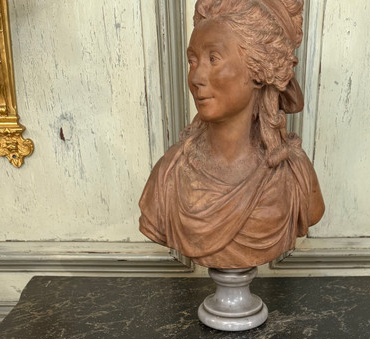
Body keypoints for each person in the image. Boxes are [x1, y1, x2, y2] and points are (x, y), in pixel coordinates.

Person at [139, 0, 324, 269]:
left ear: (258, 70)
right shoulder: (170, 174)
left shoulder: (294, 174)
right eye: (193, 61)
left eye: (214, 59)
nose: (196, 77)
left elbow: (313, 211)